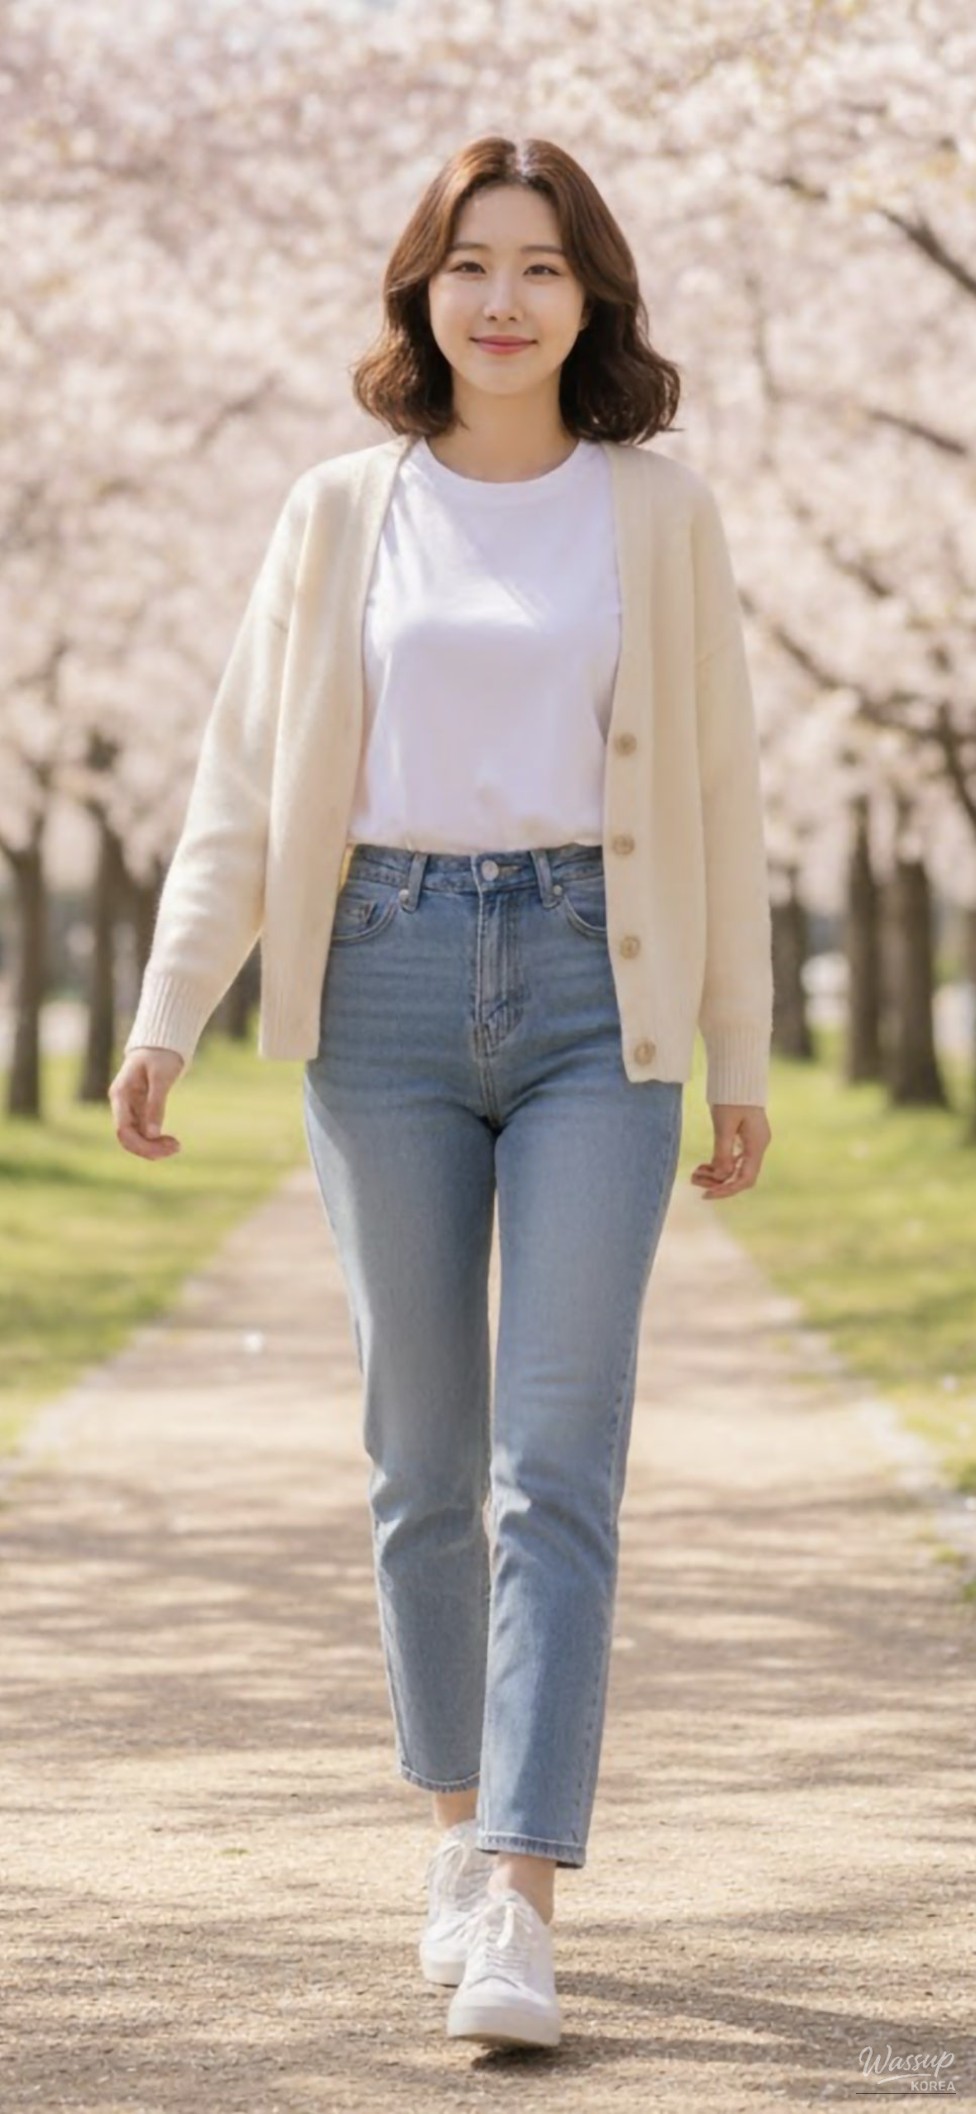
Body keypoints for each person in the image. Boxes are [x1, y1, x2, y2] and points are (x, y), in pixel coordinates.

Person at [109, 134, 773, 2052]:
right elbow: (246, 785)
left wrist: (740, 1054)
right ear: (421, 291)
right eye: (470, 263)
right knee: (421, 1458)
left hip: (596, 993)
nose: (503, 297)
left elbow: (721, 804)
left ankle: (523, 1898)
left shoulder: (662, 514)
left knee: (553, 1461)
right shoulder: (340, 511)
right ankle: (452, 1822)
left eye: (542, 267)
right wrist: (169, 1011)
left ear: (594, 299)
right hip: (381, 985)